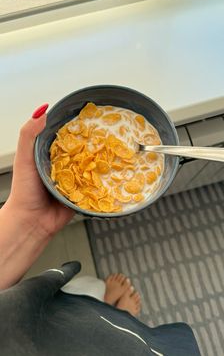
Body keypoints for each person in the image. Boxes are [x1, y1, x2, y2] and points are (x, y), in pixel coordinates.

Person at [0, 104, 201, 356]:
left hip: (35, 320)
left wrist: (28, 223)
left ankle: (113, 312)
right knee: (110, 326)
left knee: (86, 298)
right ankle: (121, 315)